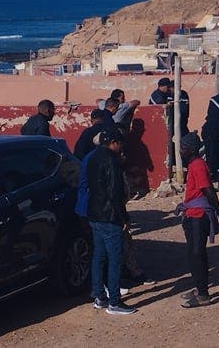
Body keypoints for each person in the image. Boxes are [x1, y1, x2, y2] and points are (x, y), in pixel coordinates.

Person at [175, 132, 219, 308]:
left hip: (198, 216)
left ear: (190, 150)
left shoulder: (197, 166)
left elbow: (208, 191)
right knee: (193, 254)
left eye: (182, 148)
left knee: (197, 254)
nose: (180, 152)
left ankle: (203, 294)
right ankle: (199, 287)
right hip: (192, 213)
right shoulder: (194, 164)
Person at [87, 130, 137, 315]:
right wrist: (124, 218)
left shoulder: (92, 157)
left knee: (99, 256)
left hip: (94, 214)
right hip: (110, 216)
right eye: (120, 144)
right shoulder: (112, 161)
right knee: (115, 259)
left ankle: (99, 296)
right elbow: (115, 193)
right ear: (113, 143)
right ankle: (114, 302)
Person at [150, 77, 175, 173]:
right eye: (167, 87)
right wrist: (167, 105)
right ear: (161, 86)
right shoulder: (156, 95)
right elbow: (159, 107)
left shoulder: (166, 94)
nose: (168, 89)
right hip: (157, 124)